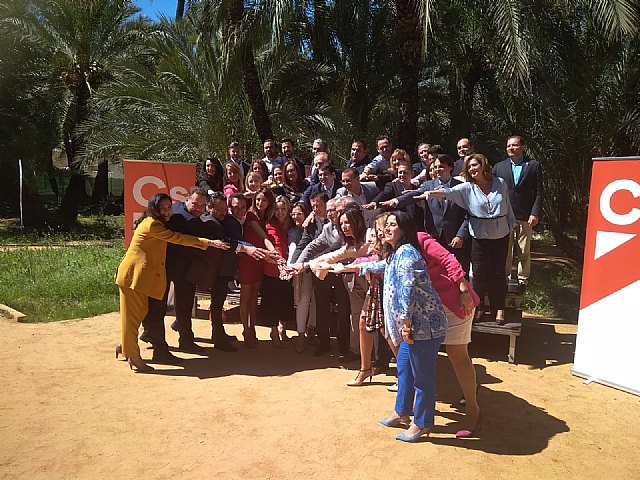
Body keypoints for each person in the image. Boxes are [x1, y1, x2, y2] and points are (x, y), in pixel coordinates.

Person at [332, 211, 448, 442]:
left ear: (404, 229)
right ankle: (403, 412)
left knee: (423, 377)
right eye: (386, 225)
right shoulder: (396, 254)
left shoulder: (407, 254)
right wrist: (345, 268)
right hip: (414, 326)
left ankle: (422, 423)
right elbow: (378, 266)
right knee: (404, 368)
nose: (386, 229)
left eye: (392, 225)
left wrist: (405, 324)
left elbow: (408, 292)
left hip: (422, 326)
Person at [115, 193, 227, 372]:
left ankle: (125, 345)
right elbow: (178, 238)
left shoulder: (156, 222)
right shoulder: (153, 225)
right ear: (155, 209)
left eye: (169, 208)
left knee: (139, 314)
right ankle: (133, 357)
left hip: (144, 278)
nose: (167, 212)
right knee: (132, 317)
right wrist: (209, 243)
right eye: (163, 208)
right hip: (133, 277)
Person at [411, 153, 516, 324]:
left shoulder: (500, 183)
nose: (473, 169)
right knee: (479, 273)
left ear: (483, 166)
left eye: (476, 165)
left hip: (500, 234)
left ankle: (499, 308)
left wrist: (511, 225)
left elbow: (507, 207)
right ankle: (479, 307)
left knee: (497, 273)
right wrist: (429, 193)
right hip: (479, 235)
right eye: (470, 167)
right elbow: (448, 192)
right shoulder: (467, 188)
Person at [416, 232, 483, 438]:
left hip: (453, 302)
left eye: (392, 224)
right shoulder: (389, 248)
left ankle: (473, 409)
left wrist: (463, 290)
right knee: (417, 355)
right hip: (424, 308)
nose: (386, 231)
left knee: (457, 354)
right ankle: (414, 408)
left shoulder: (421, 240)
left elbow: (448, 259)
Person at [201, 192, 271, 352]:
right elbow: (231, 240)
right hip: (214, 268)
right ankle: (218, 337)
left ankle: (218, 333)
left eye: (242, 207)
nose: (238, 210)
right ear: (210, 207)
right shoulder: (212, 221)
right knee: (217, 302)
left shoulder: (231, 219)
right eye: (234, 207)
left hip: (227, 267)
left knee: (219, 301)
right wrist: (248, 248)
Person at [390, 154, 471, 275]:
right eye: (436, 167)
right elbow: (414, 195)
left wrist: (460, 235)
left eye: (441, 166)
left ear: (450, 168)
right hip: (435, 237)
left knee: (459, 272)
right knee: (437, 273)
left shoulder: (461, 187)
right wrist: (396, 201)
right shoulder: (428, 185)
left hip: (455, 239)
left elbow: (467, 213)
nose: (437, 169)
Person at [492, 135, 543, 290]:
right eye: (508, 146)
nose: (511, 148)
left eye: (514, 145)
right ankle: (505, 279)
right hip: (504, 216)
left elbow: (539, 192)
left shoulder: (533, 166)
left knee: (523, 250)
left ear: (523, 147)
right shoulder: (498, 167)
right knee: (505, 250)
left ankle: (522, 280)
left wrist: (535, 213)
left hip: (525, 216)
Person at [238, 187, 279, 347]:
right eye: (258, 200)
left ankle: (252, 328)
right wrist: (274, 251)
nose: (260, 203)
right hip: (247, 259)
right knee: (246, 296)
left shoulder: (267, 217)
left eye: (264, 200)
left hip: (260, 260)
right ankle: (246, 329)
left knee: (254, 296)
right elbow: (263, 236)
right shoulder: (250, 215)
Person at [261, 195, 296, 347]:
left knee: (286, 301)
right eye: (277, 209)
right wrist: (281, 263)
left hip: (289, 268)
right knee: (272, 302)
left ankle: (283, 329)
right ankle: (274, 332)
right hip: (273, 268)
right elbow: (276, 246)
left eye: (283, 209)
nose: (280, 212)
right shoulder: (270, 224)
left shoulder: (292, 224)